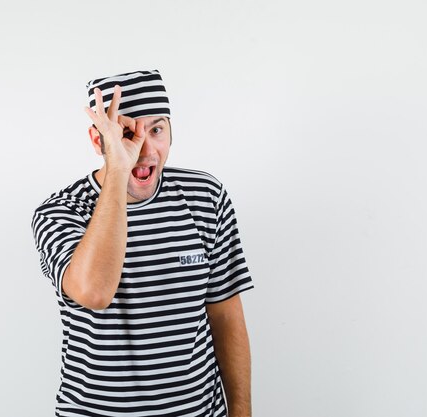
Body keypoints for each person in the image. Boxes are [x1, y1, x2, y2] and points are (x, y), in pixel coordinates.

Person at [31, 69, 254, 417]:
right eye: (125, 133)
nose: (145, 149)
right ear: (97, 140)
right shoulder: (60, 212)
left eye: (157, 129)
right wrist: (118, 169)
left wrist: (241, 413)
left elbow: (225, 313)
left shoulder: (205, 198)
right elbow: (94, 292)